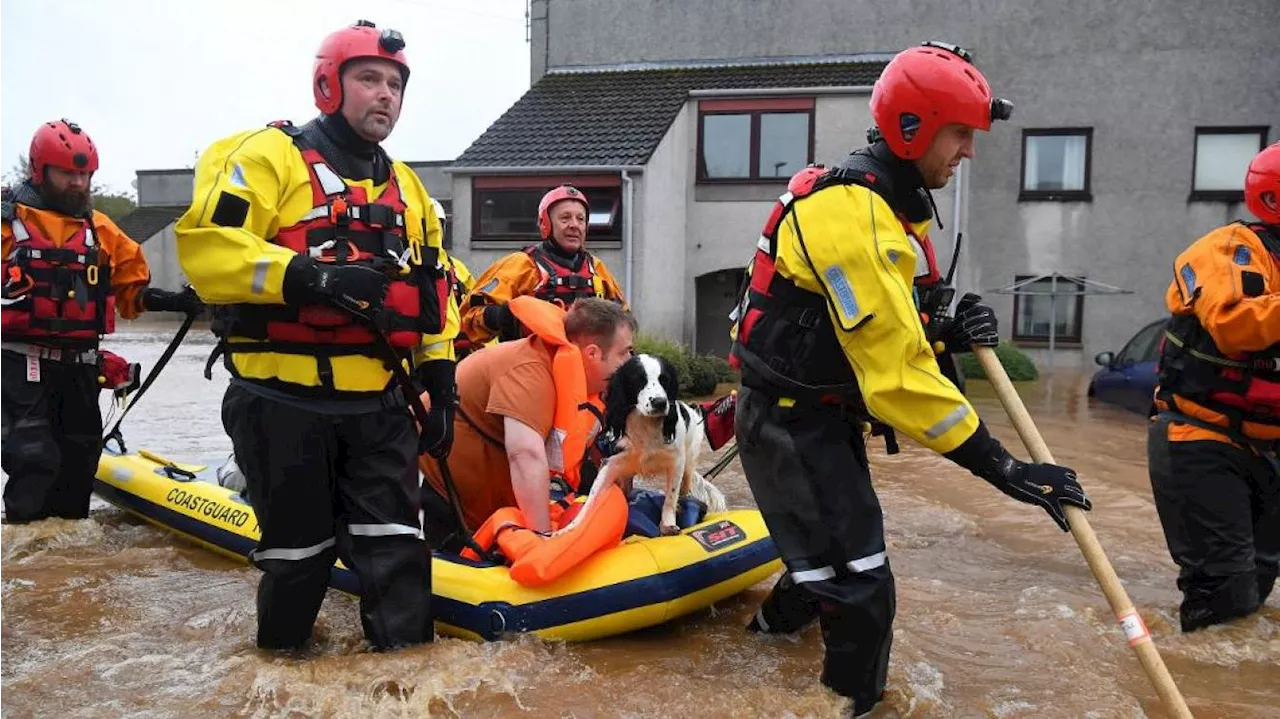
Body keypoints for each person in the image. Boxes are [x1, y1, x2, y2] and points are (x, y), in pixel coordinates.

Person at [726, 42, 1092, 715]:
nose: (968, 151)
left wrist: (945, 325)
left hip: (816, 415)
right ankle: (850, 706)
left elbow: (888, 329)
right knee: (863, 591)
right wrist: (1005, 468)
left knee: (825, 574)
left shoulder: (894, 208)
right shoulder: (852, 216)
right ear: (912, 128)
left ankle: (750, 657)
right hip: (787, 420)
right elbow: (897, 376)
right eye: (960, 134)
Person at [174, 20, 455, 653]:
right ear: (329, 85)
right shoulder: (267, 157)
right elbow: (207, 250)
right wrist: (308, 276)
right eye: (369, 79)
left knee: (399, 559)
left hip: (380, 409)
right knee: (299, 561)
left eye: (395, 84)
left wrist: (443, 376)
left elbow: (437, 296)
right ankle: (283, 681)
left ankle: (406, 686)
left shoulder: (410, 190)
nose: (385, 94)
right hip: (282, 402)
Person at [0, 119, 200, 524]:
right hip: (18, 365)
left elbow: (131, 294)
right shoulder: (6, 224)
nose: (78, 183)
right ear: (39, 172)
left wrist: (174, 299)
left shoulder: (101, 230)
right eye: (67, 174)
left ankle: (69, 565)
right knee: (33, 457)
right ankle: (29, 562)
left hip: (79, 368)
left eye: (84, 175)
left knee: (79, 462)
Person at [1149, 141, 1280, 633]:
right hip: (1199, 438)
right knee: (1224, 592)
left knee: (1261, 579)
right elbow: (1236, 325)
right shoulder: (1229, 248)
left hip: (1267, 447)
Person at [422, 297, 634, 536]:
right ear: (593, 354)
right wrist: (542, 539)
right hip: (441, 495)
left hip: (484, 503)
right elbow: (525, 456)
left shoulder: (573, 376)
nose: (629, 362)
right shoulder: (529, 370)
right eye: (625, 353)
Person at [460, 184, 627, 344]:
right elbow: (468, 317)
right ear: (545, 224)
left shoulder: (597, 269)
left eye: (580, 219)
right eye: (565, 218)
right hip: (531, 365)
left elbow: (623, 321)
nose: (574, 225)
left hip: (584, 364)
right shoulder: (521, 265)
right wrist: (502, 315)